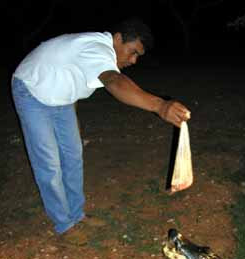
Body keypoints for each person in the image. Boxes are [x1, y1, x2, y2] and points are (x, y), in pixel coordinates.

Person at [11, 17, 191, 245]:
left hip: (60, 97)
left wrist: (72, 124)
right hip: (31, 90)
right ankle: (64, 224)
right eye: (132, 51)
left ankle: (77, 215)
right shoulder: (98, 49)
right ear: (117, 39)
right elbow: (114, 81)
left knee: (73, 154)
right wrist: (160, 105)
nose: (133, 60)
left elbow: (70, 82)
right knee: (49, 163)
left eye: (138, 56)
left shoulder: (95, 51)